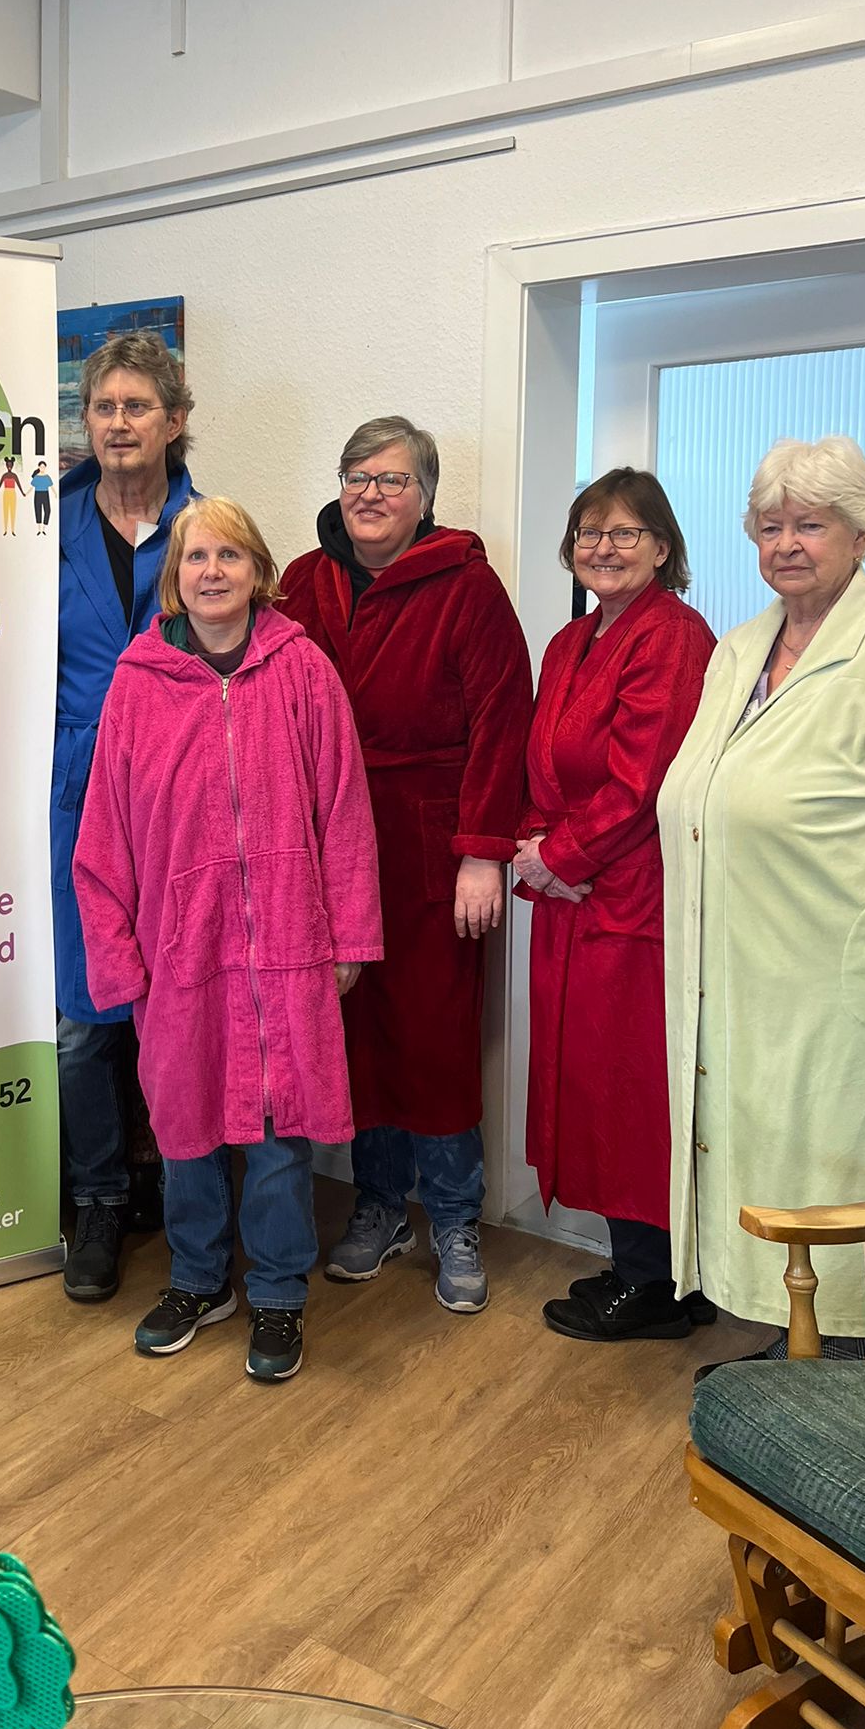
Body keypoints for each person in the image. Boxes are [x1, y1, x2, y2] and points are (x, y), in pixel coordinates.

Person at [74, 499, 381, 1381]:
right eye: (196, 557)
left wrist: (349, 935)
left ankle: (278, 1292)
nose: (213, 572)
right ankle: (198, 1280)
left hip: (287, 945)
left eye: (230, 556)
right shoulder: (137, 686)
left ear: (258, 572)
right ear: (176, 578)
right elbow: (104, 838)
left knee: (280, 1132)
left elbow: (345, 813)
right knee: (185, 1129)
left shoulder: (304, 671)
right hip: (180, 951)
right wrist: (119, 960)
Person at [660, 436, 865, 1344]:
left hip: (848, 979)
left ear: (861, 535)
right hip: (744, 972)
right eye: (770, 527)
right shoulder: (739, 649)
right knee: (768, 1161)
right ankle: (795, 1344)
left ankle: (847, 1358)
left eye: (810, 525)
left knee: (840, 1169)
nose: (786, 545)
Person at [279, 416, 530, 1313]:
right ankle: (380, 1204)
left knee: (434, 1035)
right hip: (327, 841)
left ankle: (455, 1217)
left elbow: (503, 721)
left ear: (425, 497)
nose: (370, 493)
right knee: (357, 1031)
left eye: (391, 479)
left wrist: (482, 854)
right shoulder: (302, 582)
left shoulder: (468, 586)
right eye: (356, 475)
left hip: (428, 838)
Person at [514, 469, 717, 1342]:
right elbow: (541, 768)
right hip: (574, 895)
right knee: (586, 1087)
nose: (603, 547)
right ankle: (637, 1265)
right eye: (589, 533)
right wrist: (537, 851)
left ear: (662, 548)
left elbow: (644, 778)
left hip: (634, 895)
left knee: (631, 1091)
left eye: (625, 532)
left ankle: (660, 1283)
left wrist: (561, 857)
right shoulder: (570, 642)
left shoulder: (674, 636)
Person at [54, 330, 197, 1302]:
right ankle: (99, 1196)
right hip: (74, 793)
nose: (118, 422)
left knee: (179, 1008)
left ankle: (186, 1197)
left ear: (174, 421)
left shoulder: (207, 529)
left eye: (137, 406)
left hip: (181, 802)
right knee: (82, 1020)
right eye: (104, 406)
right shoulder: (44, 527)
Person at [0, 454, 23, 534]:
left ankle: (13, 530)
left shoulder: (14, 475)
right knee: (5, 510)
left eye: (11, 465)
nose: (9, 466)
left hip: (12, 493)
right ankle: (5, 530)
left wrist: (22, 492)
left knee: (13, 510)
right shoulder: (4, 475)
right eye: (8, 465)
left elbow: (18, 484)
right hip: (6, 492)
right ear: (6, 466)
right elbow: (0, 484)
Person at [31, 460, 55, 535]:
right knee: (38, 511)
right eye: (41, 467)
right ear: (39, 467)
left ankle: (44, 529)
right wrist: (25, 493)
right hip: (37, 494)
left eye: (43, 467)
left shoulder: (47, 477)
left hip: (45, 494)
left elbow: (51, 486)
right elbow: (31, 487)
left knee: (47, 510)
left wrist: (55, 493)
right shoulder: (36, 477)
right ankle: (39, 529)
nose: (42, 468)